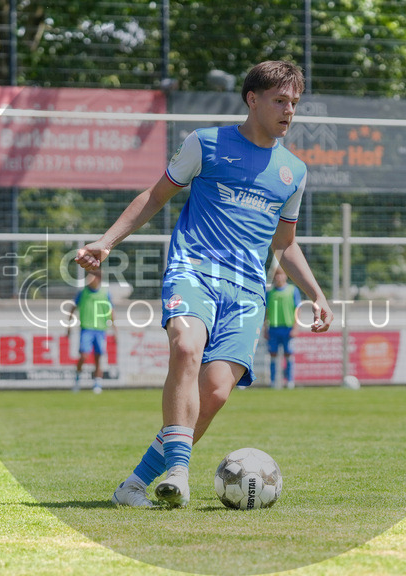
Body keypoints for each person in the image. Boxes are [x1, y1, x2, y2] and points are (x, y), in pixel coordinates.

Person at [75, 60, 333, 509]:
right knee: (186, 347)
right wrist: (106, 241)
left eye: (294, 103)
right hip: (194, 271)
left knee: (214, 391)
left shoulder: (294, 170)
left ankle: (134, 484)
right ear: (252, 100)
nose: (289, 111)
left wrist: (317, 294)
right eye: (279, 101)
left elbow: (285, 244)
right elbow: (155, 196)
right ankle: (179, 468)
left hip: (248, 292)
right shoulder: (206, 143)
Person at [66, 268, 118, 394]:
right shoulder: (83, 292)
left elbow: (111, 312)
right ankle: (77, 380)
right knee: (83, 356)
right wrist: (69, 326)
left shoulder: (105, 293)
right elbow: (73, 308)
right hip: (86, 328)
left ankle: (97, 383)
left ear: (98, 278)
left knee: (98, 357)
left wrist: (114, 330)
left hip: (100, 329)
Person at [264, 267, 302, 389]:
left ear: (285, 276)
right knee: (273, 355)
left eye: (281, 275)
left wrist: (295, 327)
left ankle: (289, 381)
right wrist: (265, 328)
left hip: (288, 328)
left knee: (288, 354)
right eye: (276, 275)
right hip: (274, 328)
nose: (278, 277)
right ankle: (273, 381)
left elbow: (297, 309)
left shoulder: (292, 290)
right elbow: (266, 312)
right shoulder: (269, 293)